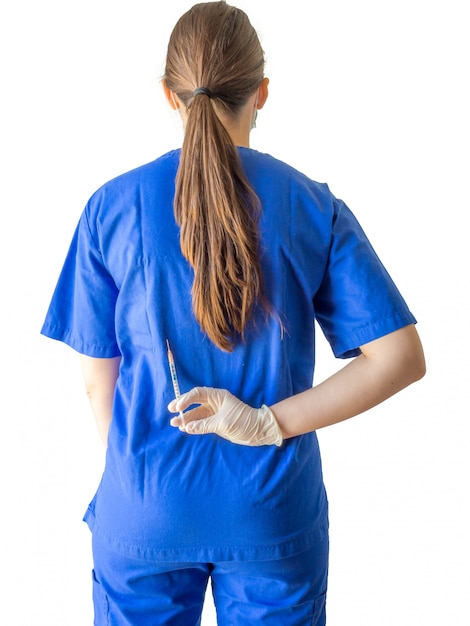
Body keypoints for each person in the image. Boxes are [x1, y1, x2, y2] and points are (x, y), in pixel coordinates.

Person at [41, 2, 426, 624]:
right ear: (262, 93)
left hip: (144, 512)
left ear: (169, 95)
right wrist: (264, 423)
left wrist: (140, 485)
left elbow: (95, 381)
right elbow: (400, 358)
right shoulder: (310, 205)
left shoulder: (109, 208)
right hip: (270, 513)